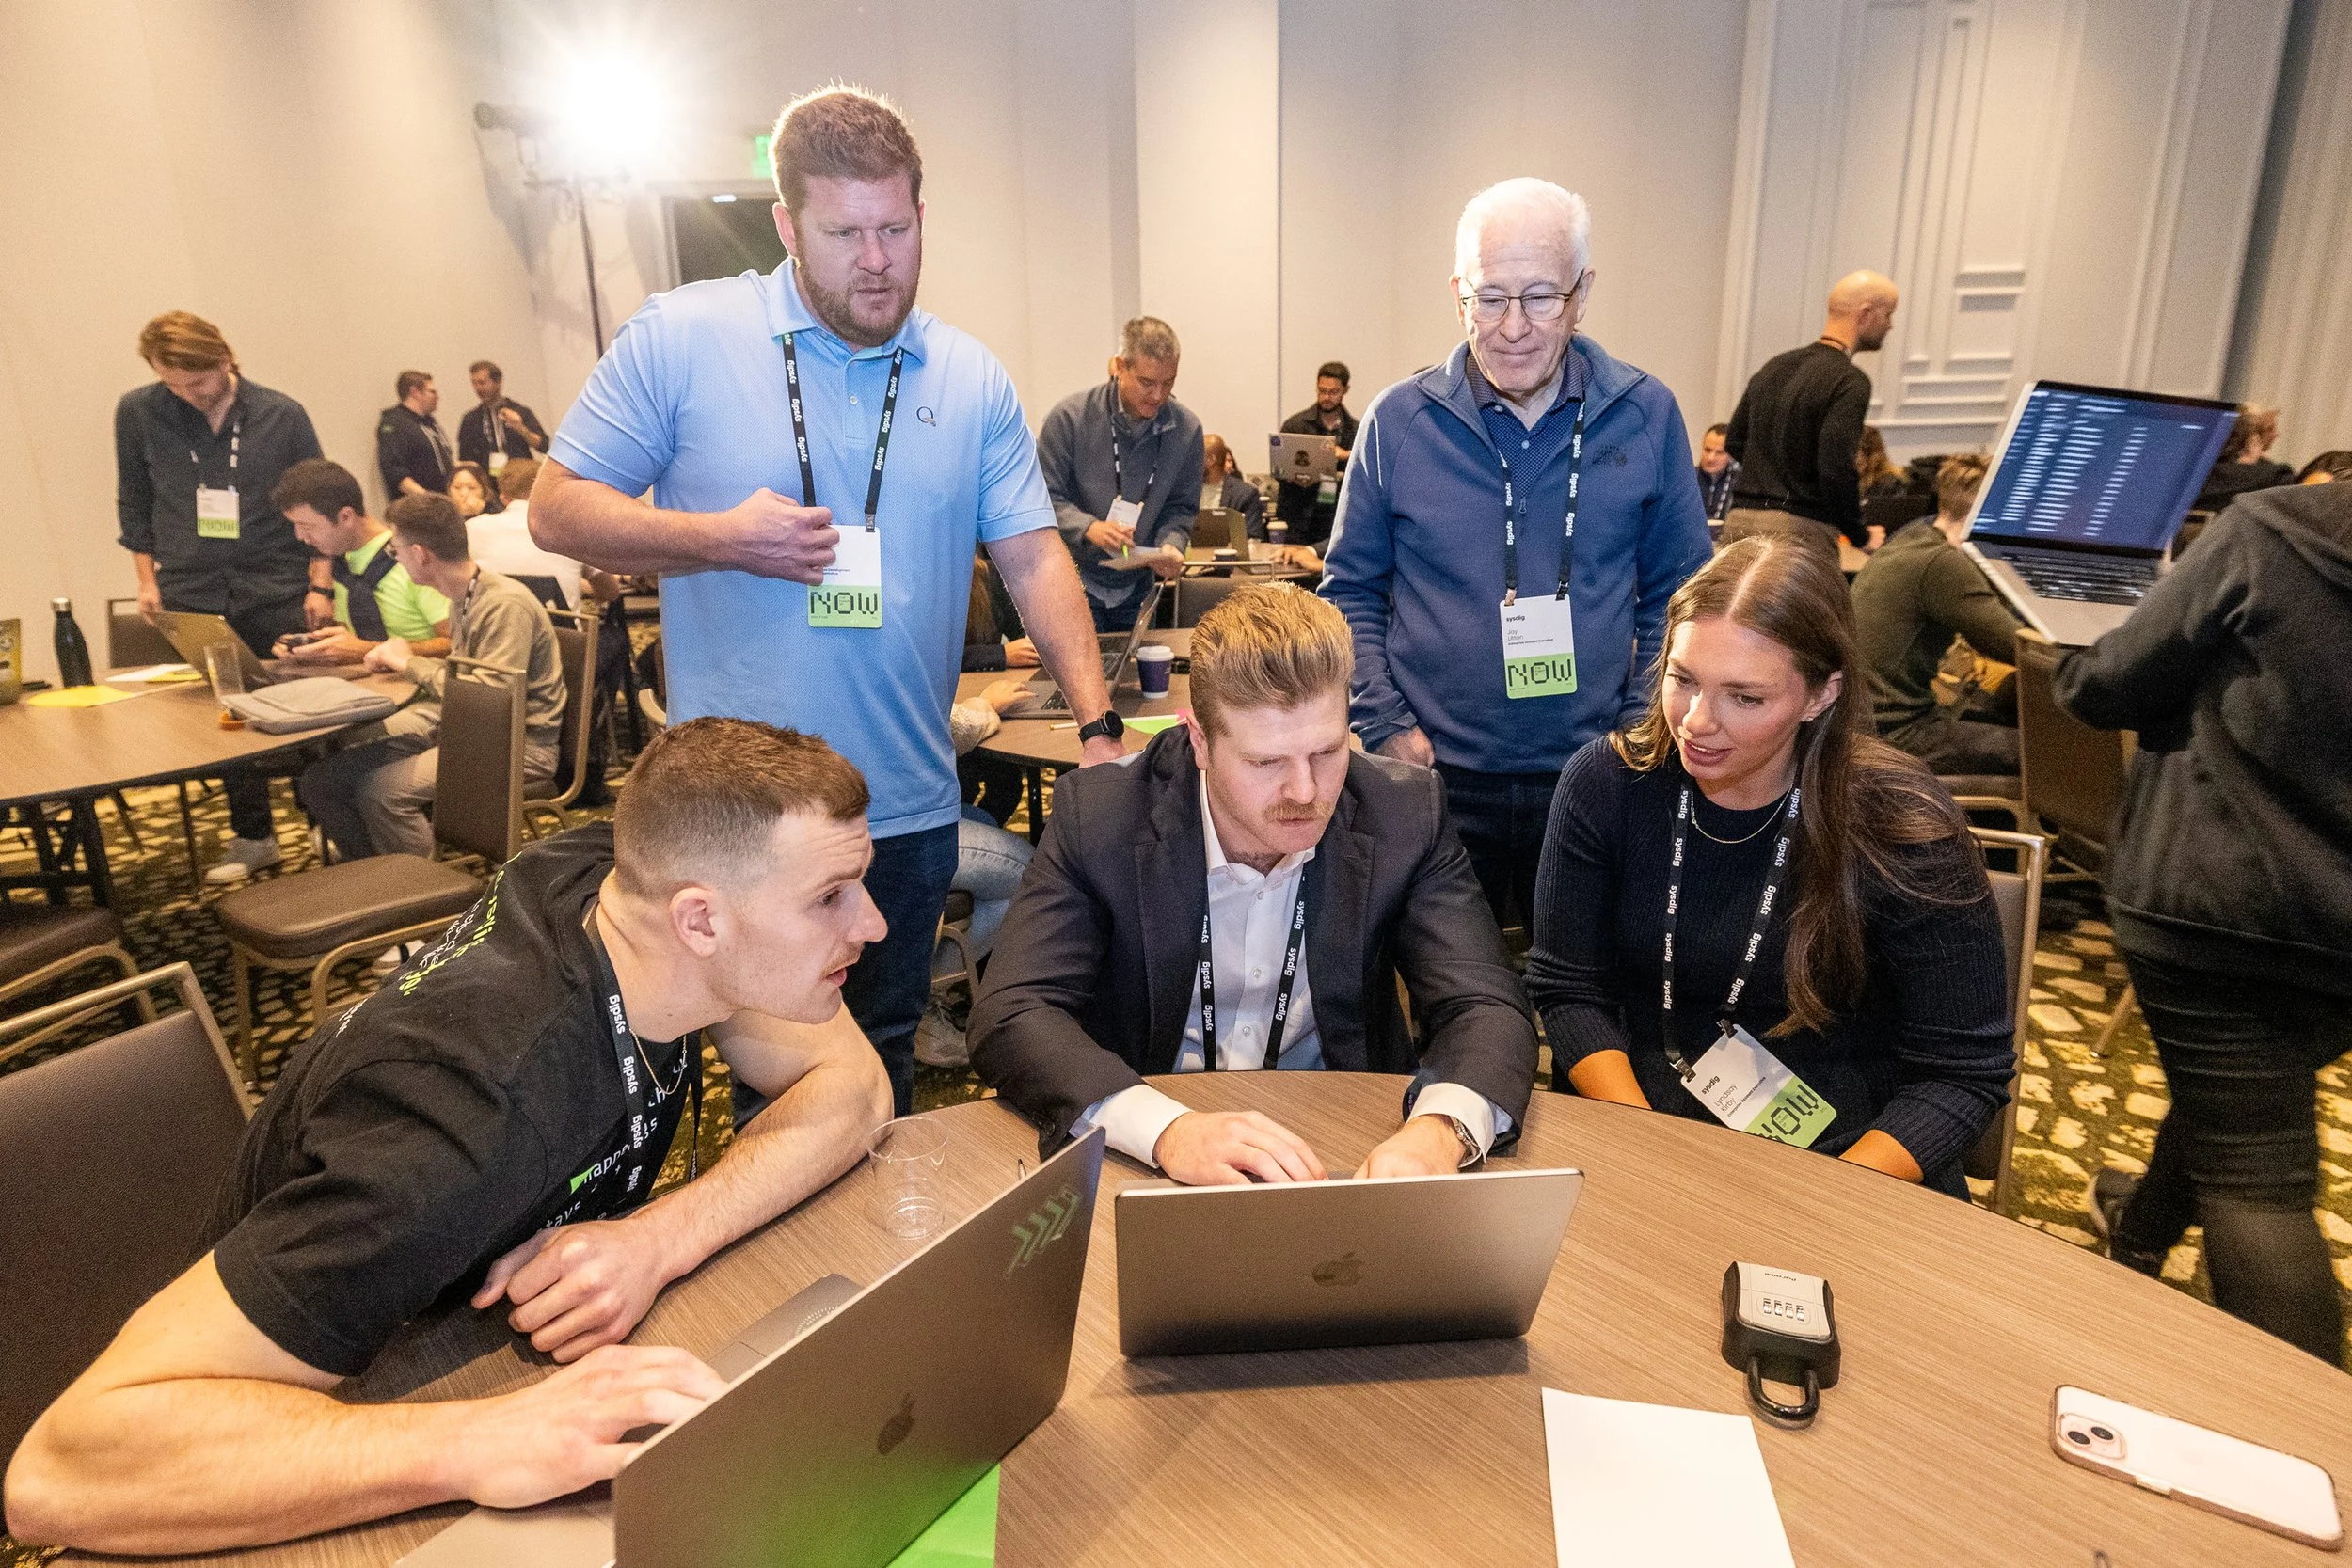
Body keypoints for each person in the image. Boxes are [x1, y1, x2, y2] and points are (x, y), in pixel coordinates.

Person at [2, 720, 895, 1555]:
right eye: (829, 899)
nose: (873, 924)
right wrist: (475, 1439)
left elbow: (855, 1090)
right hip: (316, 1407)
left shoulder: (617, 876)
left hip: (444, 1337)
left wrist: (658, 1237)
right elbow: (57, 1472)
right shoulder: (462, 1122)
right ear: (700, 919)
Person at [527, 85, 1122, 1117]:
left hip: (905, 802)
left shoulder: (970, 375)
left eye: (895, 228)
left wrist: (1097, 723)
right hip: (742, 828)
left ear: (921, 218)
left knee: (882, 1068)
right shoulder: (684, 335)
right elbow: (556, 509)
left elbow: (1031, 558)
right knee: (773, 1085)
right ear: (787, 225)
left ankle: (866, 1273)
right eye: (845, 233)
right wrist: (718, 538)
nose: (877, 258)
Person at [971, 583, 1536, 1180]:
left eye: (1327, 751)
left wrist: (1437, 1132)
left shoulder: (1403, 812)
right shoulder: (1104, 814)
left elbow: (1486, 1004)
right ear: (1200, 743)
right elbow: (1013, 1011)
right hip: (1151, 1144)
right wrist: (1165, 1130)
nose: (1306, 792)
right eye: (1267, 763)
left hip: (1350, 1139)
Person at [1526, 536, 2013, 1197]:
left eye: (1745, 698)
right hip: (1642, 1117)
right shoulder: (1610, 784)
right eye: (1683, 679)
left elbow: (1962, 1071)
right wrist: (1641, 1143)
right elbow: (1570, 989)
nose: (1696, 722)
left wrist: (1825, 1197)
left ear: (1820, 695)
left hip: (1846, 1154)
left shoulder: (1901, 826)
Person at [1320, 177, 1713, 934]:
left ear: (1581, 293)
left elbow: (1679, 595)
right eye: (1489, 298)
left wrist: (1638, 727)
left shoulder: (1646, 414)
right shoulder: (1398, 423)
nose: (1513, 327)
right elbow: (1350, 592)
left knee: (1584, 998)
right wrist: (1385, 725)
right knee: (1445, 1002)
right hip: (1432, 778)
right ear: (1456, 295)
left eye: (1540, 297)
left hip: (1595, 774)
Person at [2058, 481, 2352, 1365]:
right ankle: (2141, 1227)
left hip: (2222, 896)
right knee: (2247, 1105)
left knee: (2259, 1179)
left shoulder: (2275, 529)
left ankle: (2314, 1455)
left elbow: (2103, 685)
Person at [114, 311, 331, 885]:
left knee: (303, 703)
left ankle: (326, 819)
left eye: (198, 383)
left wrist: (320, 580)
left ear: (225, 360)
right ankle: (254, 836)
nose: (187, 395)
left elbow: (321, 495)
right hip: (191, 582)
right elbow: (133, 501)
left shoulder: (280, 414)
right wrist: (146, 579)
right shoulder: (138, 413)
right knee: (229, 712)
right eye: (172, 385)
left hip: (275, 577)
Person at [297, 491, 566, 863]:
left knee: (382, 792)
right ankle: (379, 874)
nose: (397, 559)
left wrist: (409, 663)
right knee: (322, 781)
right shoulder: (464, 594)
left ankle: (427, 897)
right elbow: (467, 682)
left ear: (420, 554)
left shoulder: (503, 604)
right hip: (463, 729)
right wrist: (405, 662)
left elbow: (489, 701)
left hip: (517, 746)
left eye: (396, 551)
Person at [1851, 453, 2023, 774]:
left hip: (1858, 723)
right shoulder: (1943, 563)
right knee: (2045, 753)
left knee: (2006, 695)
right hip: (1896, 733)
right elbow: (2012, 645)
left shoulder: (1914, 534)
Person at [1723, 270, 1900, 565]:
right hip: (1798, 533)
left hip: (1739, 523)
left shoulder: (1774, 367)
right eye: (1888, 314)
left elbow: (1734, 441)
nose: (1890, 326)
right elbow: (1834, 466)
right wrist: (1860, 535)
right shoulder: (1849, 381)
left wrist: (1774, 474)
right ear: (1866, 313)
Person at [1037, 317, 1203, 632]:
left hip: (1138, 585)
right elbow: (1043, 497)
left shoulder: (1186, 429)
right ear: (1118, 366)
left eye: (1168, 383)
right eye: (1147, 382)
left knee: (1136, 678)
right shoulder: (1069, 419)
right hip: (1072, 579)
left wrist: (1171, 543)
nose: (1158, 395)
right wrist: (1089, 527)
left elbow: (1181, 507)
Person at [914, 673, 1040, 1069]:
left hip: (894, 811)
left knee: (983, 816)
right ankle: (915, 999)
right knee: (1034, 876)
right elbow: (943, 728)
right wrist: (985, 705)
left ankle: (928, 983)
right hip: (890, 827)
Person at [268, 459, 451, 669]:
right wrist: (311, 649)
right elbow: (350, 639)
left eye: (307, 526)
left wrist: (370, 650)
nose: (300, 536)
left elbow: (455, 644)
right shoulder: (342, 559)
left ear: (346, 517)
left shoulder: (413, 558)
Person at [469, 457, 589, 610]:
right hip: (561, 632)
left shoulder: (473, 528)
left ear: (503, 498)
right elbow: (610, 592)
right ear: (547, 492)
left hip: (495, 629)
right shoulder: (573, 530)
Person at [1273, 361, 1359, 548]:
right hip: (1297, 515)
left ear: (1345, 390)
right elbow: (1279, 471)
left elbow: (1363, 476)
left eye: (1333, 392)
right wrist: (1300, 476)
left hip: (1334, 519)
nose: (1326, 397)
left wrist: (1345, 455)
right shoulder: (1295, 426)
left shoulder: (1356, 430)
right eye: (1322, 390)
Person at [2193, 404, 2296, 513]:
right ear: (2252, 437)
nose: (2276, 434)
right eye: (2270, 429)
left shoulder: (2193, 475)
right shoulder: (2276, 477)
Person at [455, 359, 548, 476]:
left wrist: (521, 428)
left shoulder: (520, 411)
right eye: (474, 383)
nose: (478, 388)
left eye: (482, 382)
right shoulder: (470, 419)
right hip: (488, 483)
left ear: (498, 382)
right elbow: (465, 459)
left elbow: (543, 446)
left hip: (520, 478)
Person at [377, 370, 453, 499]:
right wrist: (427, 498)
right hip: (417, 506)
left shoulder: (430, 423)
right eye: (432, 392)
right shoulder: (394, 424)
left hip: (442, 500)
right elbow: (394, 471)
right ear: (415, 392)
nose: (437, 397)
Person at [1202, 434, 1266, 538]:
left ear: (1210, 460)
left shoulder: (1245, 494)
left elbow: (1253, 538)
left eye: (1195, 456)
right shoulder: (1185, 491)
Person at [1695, 422, 1740, 524]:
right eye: (1707, 450)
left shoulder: (1740, 483)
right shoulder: (1687, 478)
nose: (1711, 458)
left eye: (1719, 453)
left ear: (1731, 454)